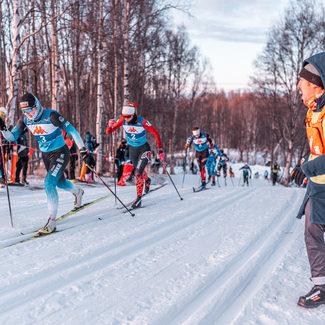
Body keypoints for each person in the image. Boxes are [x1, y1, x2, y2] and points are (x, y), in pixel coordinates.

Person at [0, 93, 95, 235]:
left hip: (60, 152)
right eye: (24, 111)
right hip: (46, 154)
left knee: (49, 182)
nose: (28, 114)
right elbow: (12, 137)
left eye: (30, 110)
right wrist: (3, 128)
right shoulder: (26, 119)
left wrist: (84, 153)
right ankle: (78, 193)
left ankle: (51, 221)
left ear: (36, 105)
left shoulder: (51, 116)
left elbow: (73, 132)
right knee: (60, 182)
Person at [290, 53, 325, 308]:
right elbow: (317, 149)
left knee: (313, 231)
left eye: (302, 82)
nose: (298, 87)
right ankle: (322, 286)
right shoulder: (314, 112)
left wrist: (306, 168)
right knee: (312, 230)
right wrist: (303, 167)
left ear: (315, 83)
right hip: (319, 185)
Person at [106, 103, 163, 209]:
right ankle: (147, 180)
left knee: (137, 173)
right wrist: (110, 125)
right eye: (124, 116)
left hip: (144, 149)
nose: (126, 119)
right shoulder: (122, 120)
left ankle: (138, 199)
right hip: (132, 150)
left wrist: (160, 149)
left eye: (128, 116)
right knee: (138, 171)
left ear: (133, 114)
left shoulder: (143, 121)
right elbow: (109, 131)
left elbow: (156, 134)